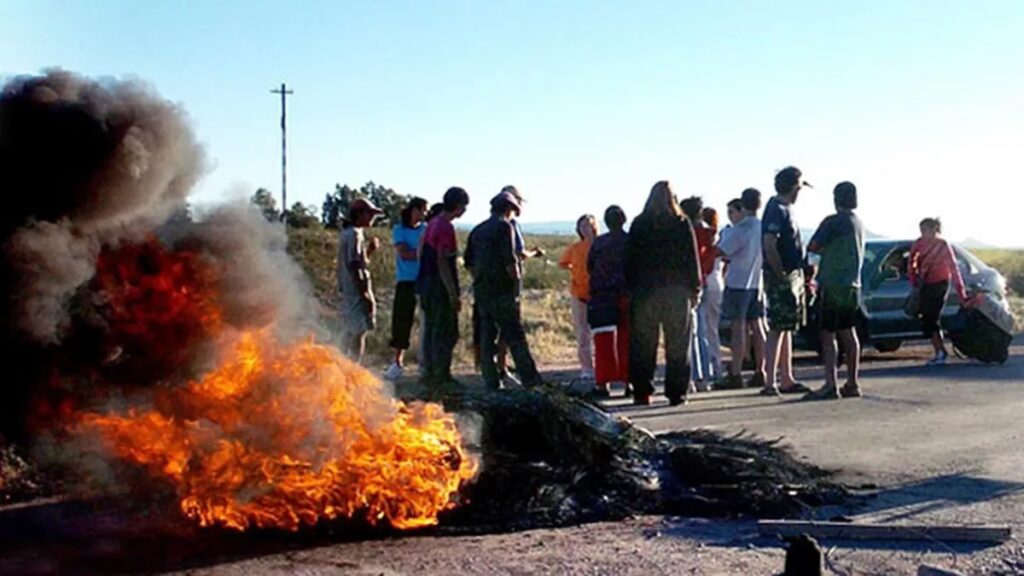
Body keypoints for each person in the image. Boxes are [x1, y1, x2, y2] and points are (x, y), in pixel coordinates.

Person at [626, 181, 702, 406]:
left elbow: (629, 260)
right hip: (677, 292)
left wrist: (630, 289)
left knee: (643, 344)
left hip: (645, 292)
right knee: (678, 344)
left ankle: (642, 391)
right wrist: (695, 288)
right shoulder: (681, 223)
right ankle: (677, 393)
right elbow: (692, 258)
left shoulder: (639, 224)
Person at [464, 191, 544, 390]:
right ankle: (531, 381)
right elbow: (511, 262)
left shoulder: (477, 230)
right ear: (509, 209)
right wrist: (515, 288)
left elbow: (469, 263)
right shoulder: (504, 227)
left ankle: (492, 382)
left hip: (483, 291)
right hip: (502, 292)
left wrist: (480, 279)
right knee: (515, 338)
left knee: (486, 338)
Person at [804, 182, 866, 400]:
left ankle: (831, 383)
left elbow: (813, 247)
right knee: (849, 332)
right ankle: (852, 381)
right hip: (853, 284)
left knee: (828, 333)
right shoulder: (858, 223)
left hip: (832, 283)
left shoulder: (833, 222)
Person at [761, 167, 811, 396]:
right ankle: (770, 380)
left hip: (793, 272)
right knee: (777, 326)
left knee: (787, 326)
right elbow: (769, 243)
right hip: (781, 275)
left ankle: (787, 377)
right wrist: (780, 273)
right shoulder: (776, 209)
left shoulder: (787, 209)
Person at [417, 187, 470, 391]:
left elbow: (421, 252)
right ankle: (442, 376)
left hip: (426, 284)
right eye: (464, 206)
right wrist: (452, 293)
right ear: (458, 206)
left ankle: (430, 375)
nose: (464, 210)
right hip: (439, 289)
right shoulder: (445, 227)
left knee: (432, 331)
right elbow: (442, 262)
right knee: (446, 332)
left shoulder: (432, 223)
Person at [717, 191, 768, 389]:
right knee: (758, 325)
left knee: (738, 328)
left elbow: (721, 251)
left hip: (738, 282)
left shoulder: (741, 229)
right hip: (757, 282)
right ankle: (761, 369)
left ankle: (736, 372)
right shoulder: (762, 227)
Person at [910, 217, 968, 365]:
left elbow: (953, 267)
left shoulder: (943, 245)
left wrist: (961, 291)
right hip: (926, 283)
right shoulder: (919, 243)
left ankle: (941, 352)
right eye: (921, 230)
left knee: (932, 317)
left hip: (940, 284)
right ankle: (940, 351)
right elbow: (911, 261)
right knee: (927, 318)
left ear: (934, 230)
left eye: (924, 230)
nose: (922, 233)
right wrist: (914, 278)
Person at [588, 205, 630, 398]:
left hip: (602, 296)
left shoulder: (599, 243)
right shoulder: (630, 241)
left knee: (603, 341)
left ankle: (603, 383)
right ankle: (629, 381)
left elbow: (590, 267)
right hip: (625, 295)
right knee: (627, 339)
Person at [384, 197, 428, 381]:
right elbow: (404, 253)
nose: (425, 214)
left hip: (424, 279)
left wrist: (417, 253)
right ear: (414, 210)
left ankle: (425, 361)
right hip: (406, 280)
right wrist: (420, 253)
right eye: (423, 210)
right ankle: (397, 361)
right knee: (402, 320)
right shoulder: (399, 229)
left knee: (427, 321)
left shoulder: (425, 229)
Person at [336, 198, 384, 364]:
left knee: (351, 329)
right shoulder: (354, 234)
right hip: (355, 290)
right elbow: (355, 266)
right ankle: (352, 366)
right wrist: (364, 294)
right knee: (358, 331)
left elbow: (360, 261)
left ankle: (343, 363)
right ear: (360, 214)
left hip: (350, 289)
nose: (372, 218)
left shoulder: (350, 233)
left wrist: (369, 250)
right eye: (370, 214)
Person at [681, 196, 717, 390]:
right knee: (703, 331)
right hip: (705, 280)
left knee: (690, 333)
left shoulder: (688, 232)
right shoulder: (709, 232)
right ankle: (706, 374)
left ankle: (694, 376)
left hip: (689, 283)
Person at [559, 214, 598, 380]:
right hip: (579, 293)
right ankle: (587, 368)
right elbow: (562, 263)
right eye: (582, 226)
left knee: (600, 333)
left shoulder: (600, 244)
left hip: (599, 294)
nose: (585, 228)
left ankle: (603, 366)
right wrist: (574, 269)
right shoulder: (575, 248)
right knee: (582, 333)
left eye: (588, 225)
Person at [701, 206, 725, 387]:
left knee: (703, 329)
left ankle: (707, 366)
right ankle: (717, 367)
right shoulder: (720, 237)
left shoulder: (704, 237)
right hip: (718, 280)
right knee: (713, 328)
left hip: (707, 280)